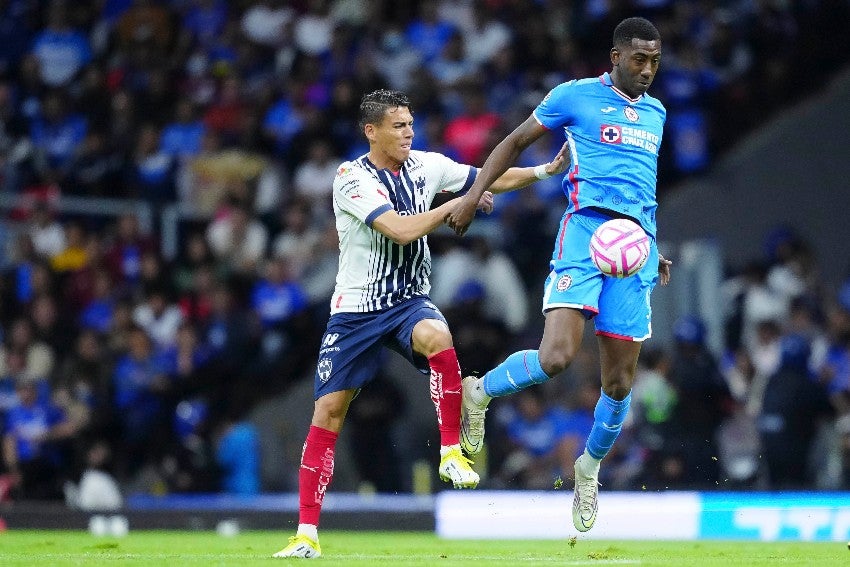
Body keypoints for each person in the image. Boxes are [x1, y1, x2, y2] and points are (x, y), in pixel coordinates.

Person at [273, 88, 567, 558]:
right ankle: (306, 533)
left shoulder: (427, 166)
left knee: (440, 337)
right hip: (355, 312)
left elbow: (486, 176)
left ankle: (451, 453)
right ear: (371, 131)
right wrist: (458, 205)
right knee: (328, 414)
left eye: (411, 124)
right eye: (398, 125)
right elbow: (401, 229)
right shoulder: (350, 178)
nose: (409, 132)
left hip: (408, 300)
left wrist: (543, 170)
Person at [446, 17, 672, 534]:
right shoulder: (573, 97)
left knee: (617, 381)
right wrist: (472, 193)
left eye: (655, 60)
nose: (648, 70)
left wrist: (650, 245)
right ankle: (479, 391)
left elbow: (644, 186)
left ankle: (588, 469)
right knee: (556, 357)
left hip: (634, 249)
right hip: (584, 235)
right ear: (615, 57)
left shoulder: (657, 112)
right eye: (639, 59)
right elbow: (516, 140)